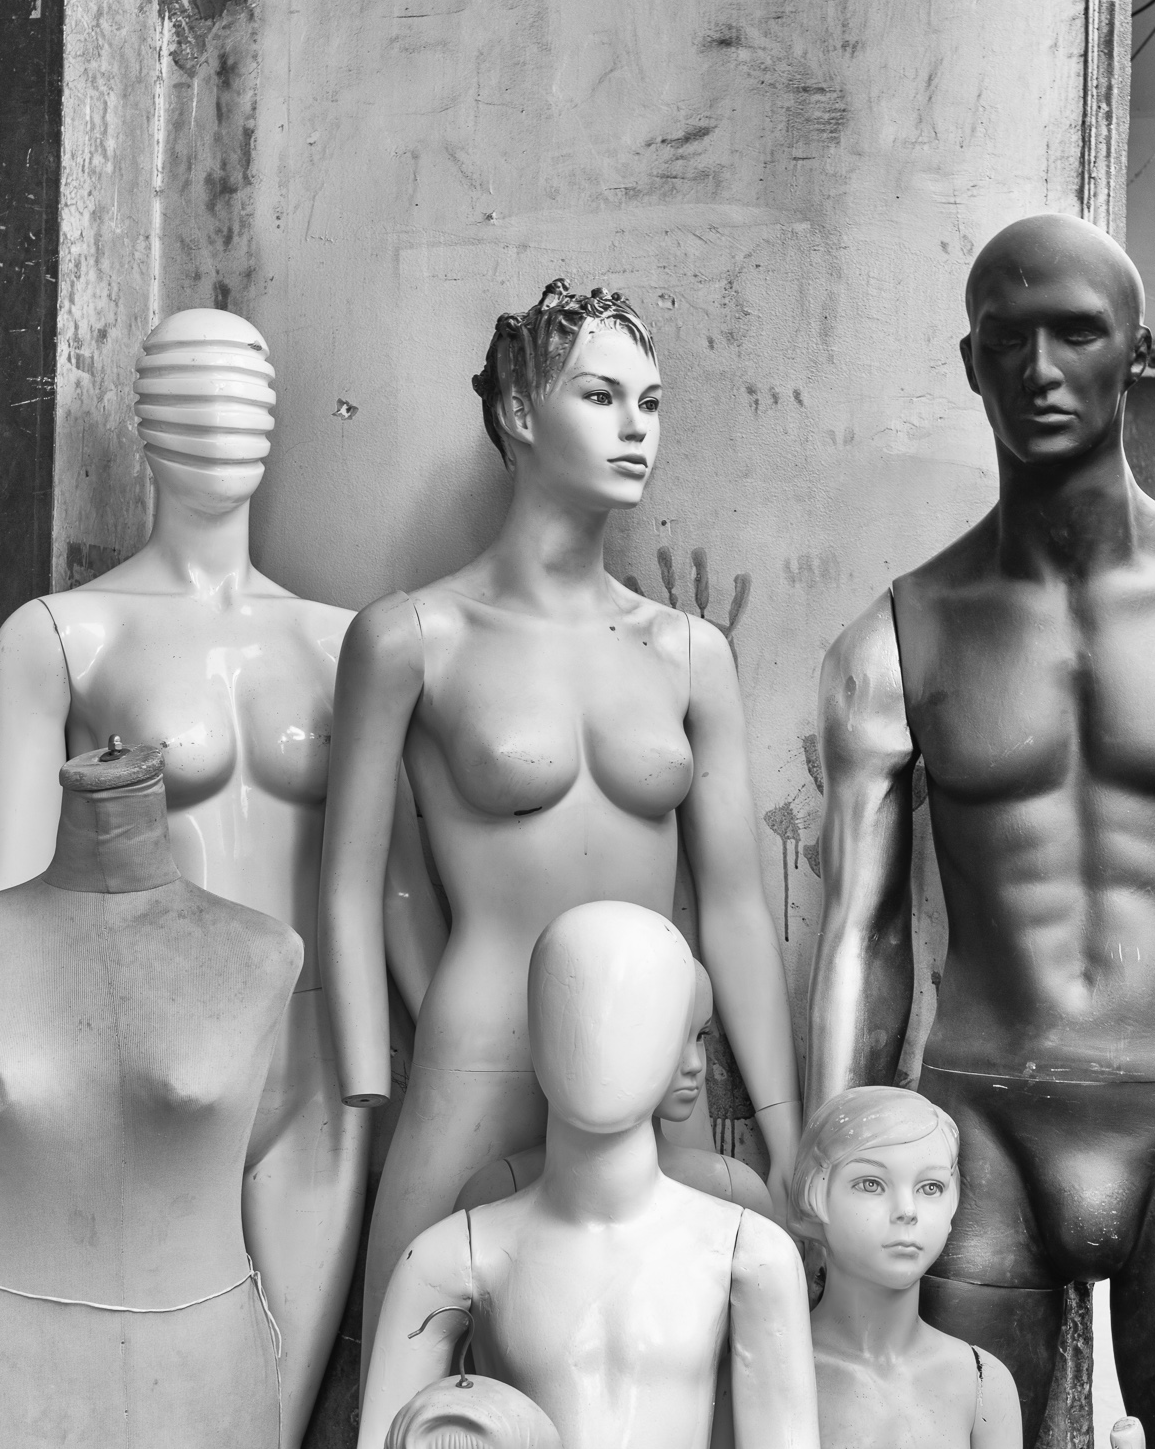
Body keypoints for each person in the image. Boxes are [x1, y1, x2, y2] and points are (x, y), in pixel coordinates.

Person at [806, 213, 1155, 1449]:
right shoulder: (898, 634)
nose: (1042, 367)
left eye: (1076, 332)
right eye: (1009, 338)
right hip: (982, 1117)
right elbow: (861, 929)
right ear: (968, 364)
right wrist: (832, 1167)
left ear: (1137, 354)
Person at [0, 310, 443, 1449]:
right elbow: (6, 918)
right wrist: (22, 1118)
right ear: (146, 419)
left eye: (247, 397)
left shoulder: (343, 641)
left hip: (311, 1075)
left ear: (277, 418)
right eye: (197, 396)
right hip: (142, 1081)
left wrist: (454, 1060)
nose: (226, 424)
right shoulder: (62, 636)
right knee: (142, 1444)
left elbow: (389, 886)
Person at [319, 277, 799, 1375]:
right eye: (599, 395)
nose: (637, 428)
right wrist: (367, 1076)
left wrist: (785, 1120)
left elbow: (735, 905)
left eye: (652, 402)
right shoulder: (413, 635)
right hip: (484, 1044)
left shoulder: (687, 653)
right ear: (518, 413)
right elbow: (357, 881)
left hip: (657, 1052)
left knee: (660, 1378)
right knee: (409, 1363)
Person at [349, 903, 821, 1449]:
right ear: (536, 1027)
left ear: (682, 1041)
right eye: (578, 1004)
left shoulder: (744, 1252)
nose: (603, 1037)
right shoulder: (457, 1255)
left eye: (640, 1011)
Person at [793, 1087, 1021, 1449]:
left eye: (930, 1187)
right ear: (813, 1195)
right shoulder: (779, 1372)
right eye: (871, 1184)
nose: (907, 1211)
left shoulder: (982, 1383)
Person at [457, 958, 773, 1214]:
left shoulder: (733, 1191)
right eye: (670, 1037)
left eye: (701, 1035)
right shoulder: (499, 1192)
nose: (695, 1064)